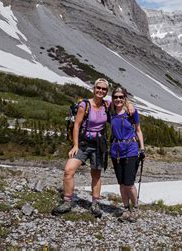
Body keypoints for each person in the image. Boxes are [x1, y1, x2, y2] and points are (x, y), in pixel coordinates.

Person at [52, 79, 133, 217]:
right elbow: (77, 125)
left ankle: (95, 204)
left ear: (106, 92)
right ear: (94, 88)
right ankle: (67, 201)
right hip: (83, 143)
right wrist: (75, 145)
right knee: (68, 170)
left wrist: (130, 104)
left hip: (98, 145)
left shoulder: (107, 105)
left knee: (96, 175)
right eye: (98, 88)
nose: (100, 91)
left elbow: (121, 102)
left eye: (103, 89)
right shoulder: (85, 105)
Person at [109, 86, 145, 222]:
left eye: (121, 97)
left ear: (125, 98)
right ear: (112, 99)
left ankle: (135, 208)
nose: (118, 99)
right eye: (115, 97)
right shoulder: (110, 111)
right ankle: (125, 208)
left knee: (129, 183)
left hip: (130, 149)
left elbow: (138, 130)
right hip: (116, 151)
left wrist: (142, 149)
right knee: (122, 184)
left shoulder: (131, 112)